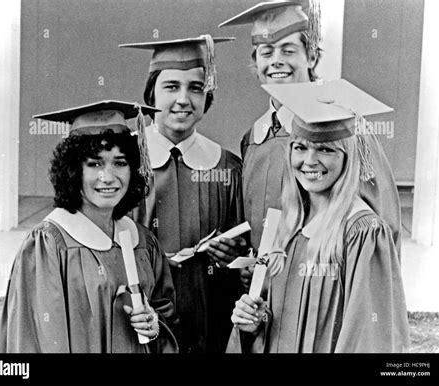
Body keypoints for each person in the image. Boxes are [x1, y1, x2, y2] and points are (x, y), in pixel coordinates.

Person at [218, 1, 402, 289]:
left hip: (322, 294)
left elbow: (383, 225)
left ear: (312, 56)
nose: (276, 61)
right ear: (256, 65)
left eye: (288, 50)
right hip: (263, 298)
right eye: (266, 53)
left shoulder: (345, 126)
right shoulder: (254, 137)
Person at [227, 80, 410, 353]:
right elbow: (278, 323)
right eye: (300, 147)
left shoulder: (363, 232)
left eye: (325, 149)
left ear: (348, 157)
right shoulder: (287, 226)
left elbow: (368, 339)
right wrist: (255, 321)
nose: (309, 160)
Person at [0, 101, 177, 353]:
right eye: (94, 164)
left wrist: (154, 323)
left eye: (120, 162)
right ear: (73, 170)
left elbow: (165, 312)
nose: (108, 177)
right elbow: (34, 340)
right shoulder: (49, 245)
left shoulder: (141, 240)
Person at [119, 36, 246, 353]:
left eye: (196, 87)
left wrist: (234, 255)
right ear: (151, 94)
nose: (184, 99)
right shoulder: (122, 162)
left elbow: (245, 249)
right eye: (171, 87)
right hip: (137, 313)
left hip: (209, 316)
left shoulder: (227, 167)